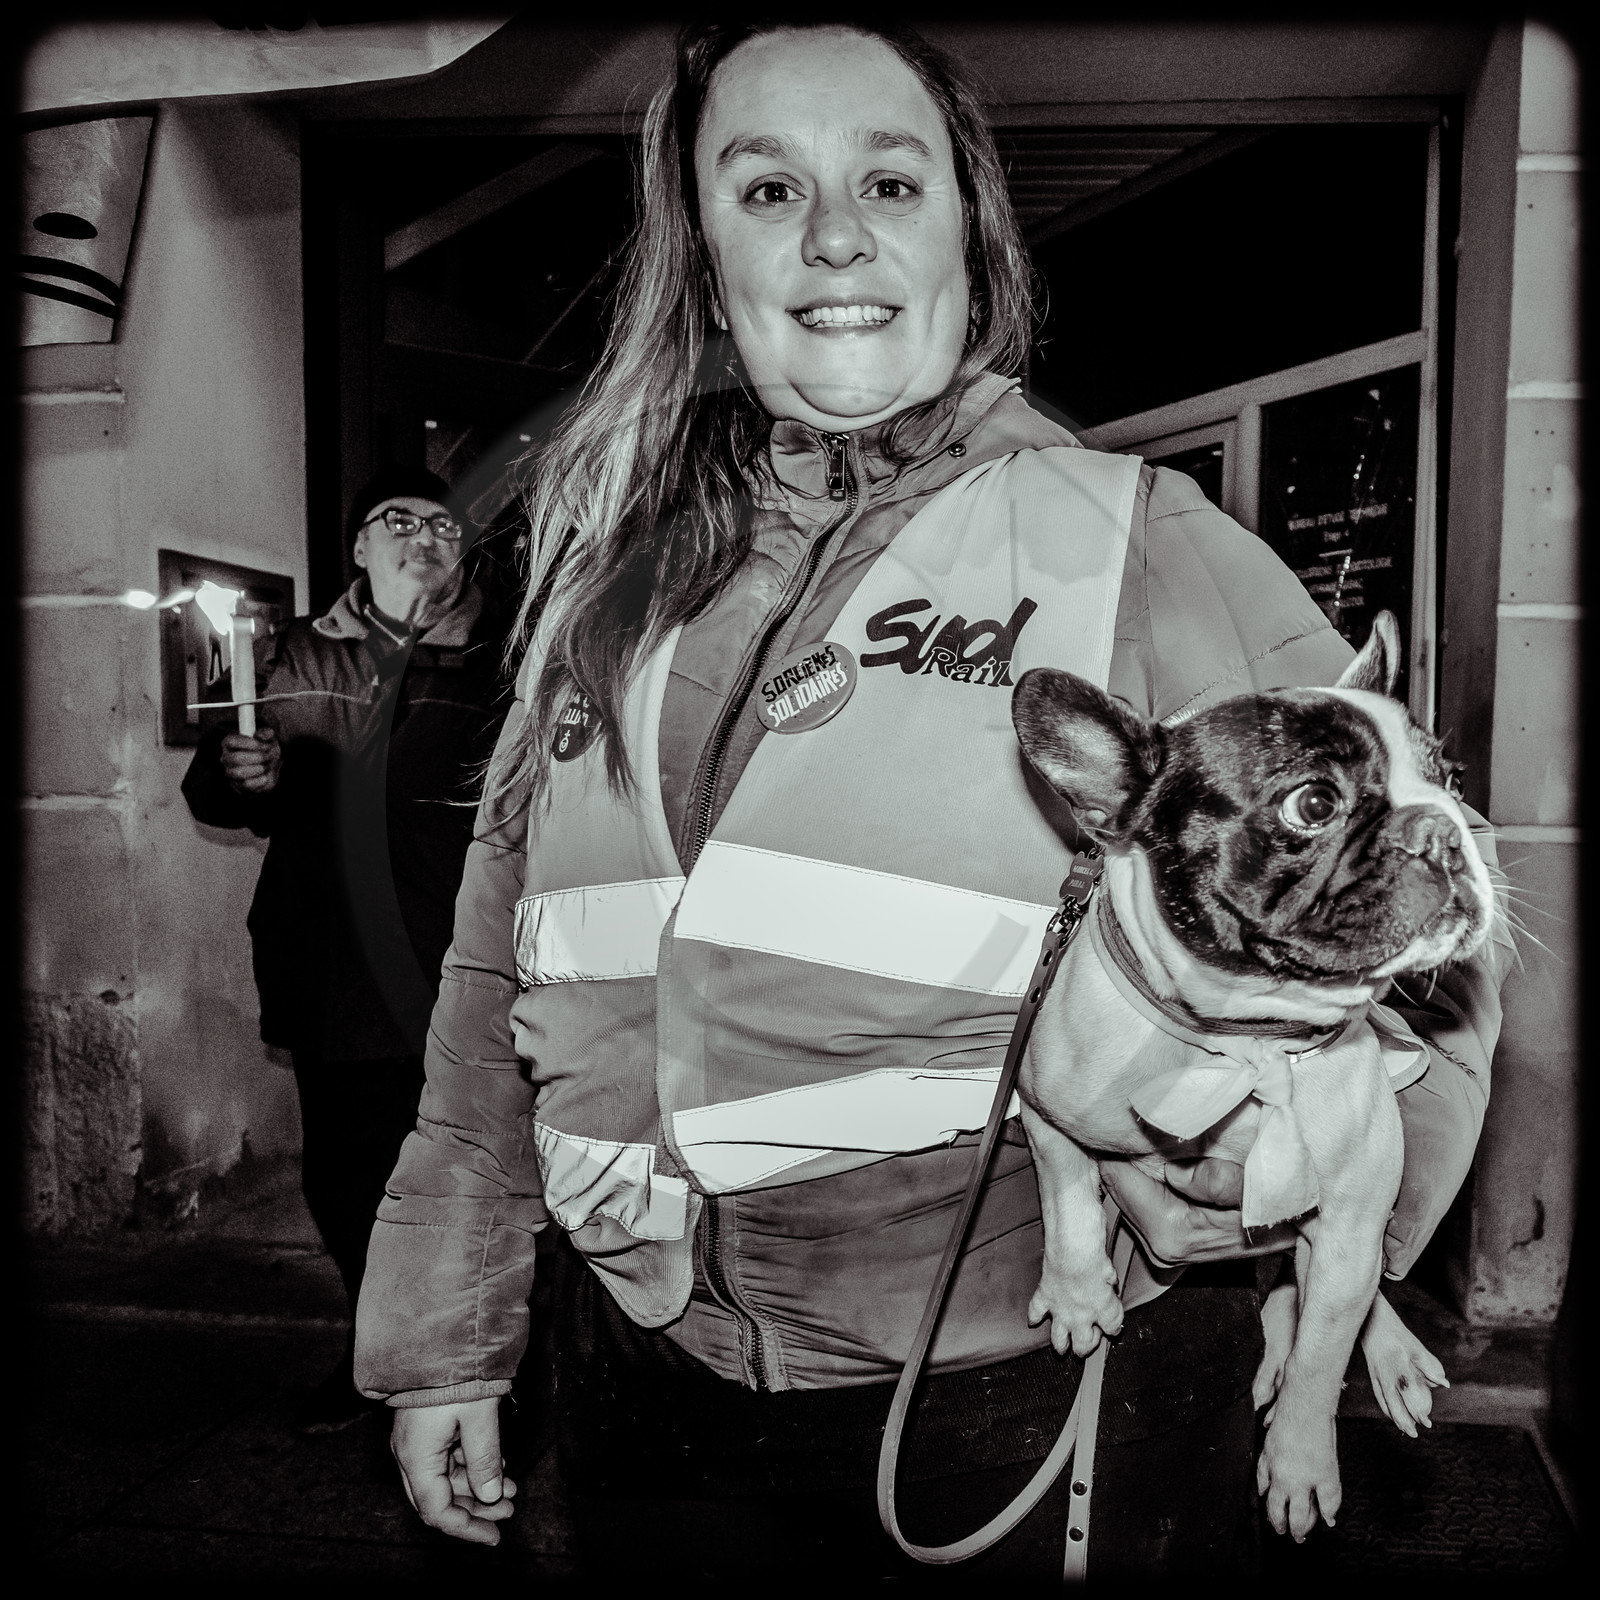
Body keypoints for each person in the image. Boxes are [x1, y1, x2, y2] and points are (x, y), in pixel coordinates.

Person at [354, 22, 1508, 1578]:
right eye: (767, 190)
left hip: (1013, 1392)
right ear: (700, 257)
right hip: (631, 1376)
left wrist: (1261, 1209)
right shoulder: (605, 588)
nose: (836, 233)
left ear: (969, 222)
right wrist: (443, 1333)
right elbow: (501, 978)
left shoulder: (1143, 542)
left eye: (889, 181)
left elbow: (1432, 941)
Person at [183, 467, 509, 1431]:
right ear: (360, 548)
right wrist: (247, 773)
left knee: (473, 1179)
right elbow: (217, 789)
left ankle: (482, 1364)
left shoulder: (509, 660)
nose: (421, 536)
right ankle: (386, 1355)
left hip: (463, 963)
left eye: (443, 525)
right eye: (395, 520)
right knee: (348, 1180)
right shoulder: (288, 657)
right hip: (334, 969)